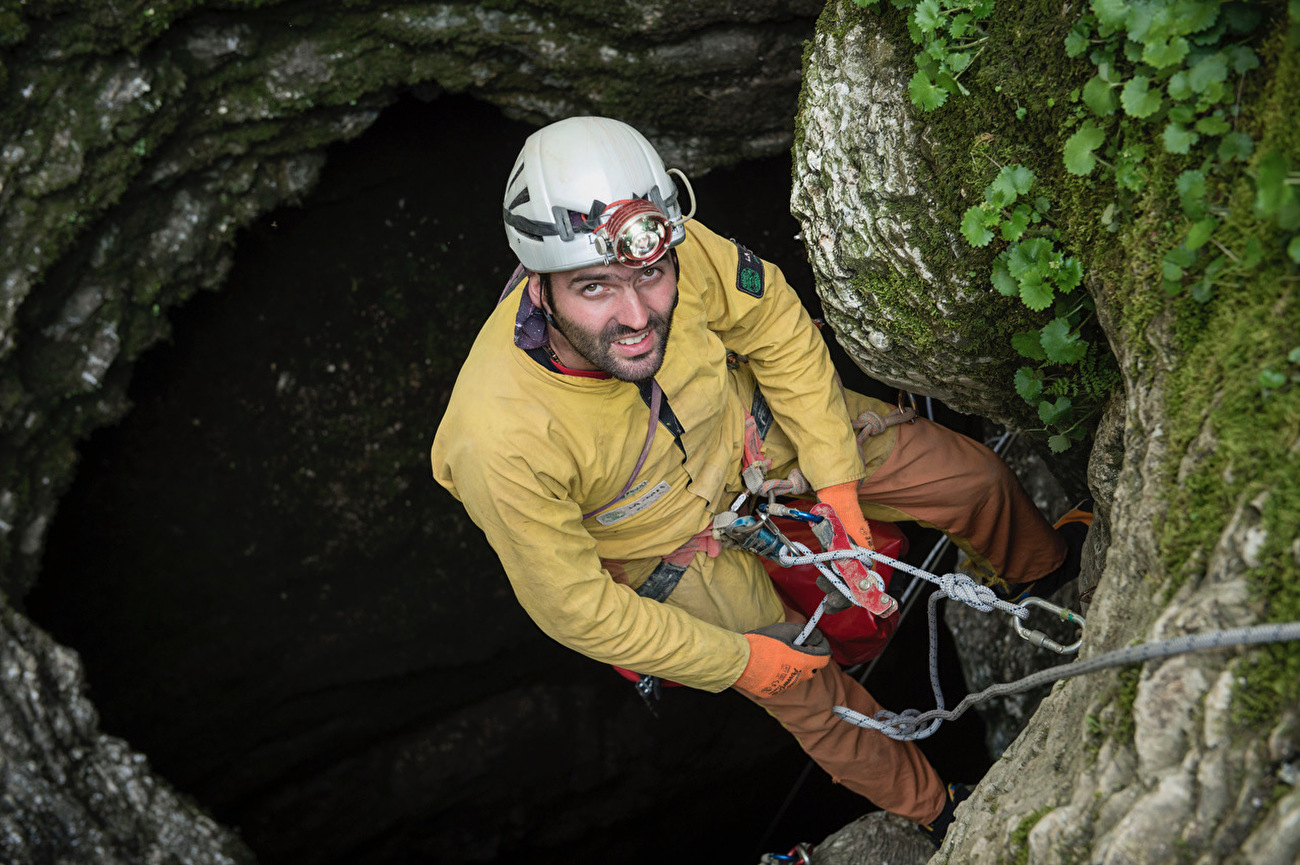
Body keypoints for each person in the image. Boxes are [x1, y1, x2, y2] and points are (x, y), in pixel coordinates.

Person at [429, 116, 1090, 845]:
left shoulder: (685, 251)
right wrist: (739, 663)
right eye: (594, 288)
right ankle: (940, 809)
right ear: (540, 284)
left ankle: (1044, 570)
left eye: (651, 274)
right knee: (810, 690)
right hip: (669, 552)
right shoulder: (499, 438)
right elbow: (576, 608)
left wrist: (836, 482)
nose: (637, 314)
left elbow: (773, 319)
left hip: (754, 439)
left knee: (969, 476)